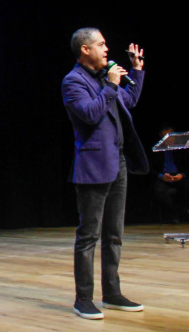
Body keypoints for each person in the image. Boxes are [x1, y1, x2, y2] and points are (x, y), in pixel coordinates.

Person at [62, 27, 148, 320]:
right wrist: (111, 86)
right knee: (89, 236)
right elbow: (89, 114)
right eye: (101, 44)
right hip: (93, 167)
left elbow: (129, 101)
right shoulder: (73, 81)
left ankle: (112, 293)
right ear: (85, 49)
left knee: (114, 234)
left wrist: (136, 72)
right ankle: (83, 298)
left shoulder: (102, 79)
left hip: (118, 163)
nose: (107, 49)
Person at [151, 126, 189, 224]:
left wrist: (181, 175)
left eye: (171, 136)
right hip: (164, 177)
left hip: (178, 176)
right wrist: (162, 176)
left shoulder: (181, 148)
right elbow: (151, 168)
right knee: (159, 191)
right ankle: (176, 213)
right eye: (166, 136)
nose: (169, 139)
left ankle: (182, 210)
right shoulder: (156, 150)